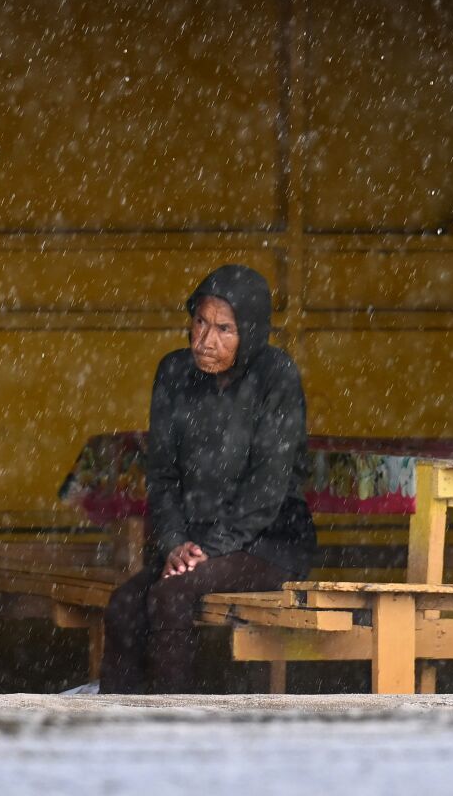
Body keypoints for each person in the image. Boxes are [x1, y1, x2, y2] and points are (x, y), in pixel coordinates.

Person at [100, 265, 316, 693]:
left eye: (224, 329)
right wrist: (174, 543)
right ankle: (120, 722)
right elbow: (162, 474)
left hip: (268, 542)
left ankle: (174, 718)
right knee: (124, 604)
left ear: (249, 332)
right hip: (195, 542)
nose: (205, 341)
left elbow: (267, 486)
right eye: (200, 322)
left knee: (169, 595)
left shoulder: (275, 375)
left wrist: (209, 549)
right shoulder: (174, 372)